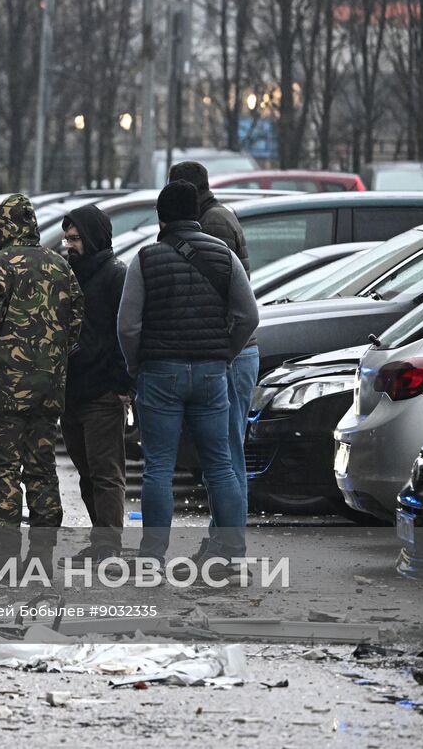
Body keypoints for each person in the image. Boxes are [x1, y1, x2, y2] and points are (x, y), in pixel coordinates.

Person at [118, 180, 257, 563]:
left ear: (161, 218)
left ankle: (152, 557)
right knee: (220, 465)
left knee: (158, 467)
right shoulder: (224, 256)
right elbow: (249, 316)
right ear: (196, 214)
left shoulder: (146, 259)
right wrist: (224, 354)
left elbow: (128, 326)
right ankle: (232, 553)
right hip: (212, 375)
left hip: (160, 374)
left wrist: (136, 366)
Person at [0, 194, 83, 533]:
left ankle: (5, 557)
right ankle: (42, 553)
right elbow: (75, 327)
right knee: (41, 469)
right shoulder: (60, 266)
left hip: (1, 392)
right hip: (48, 389)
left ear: (3, 229)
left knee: (2, 471)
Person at [169, 160, 259, 523]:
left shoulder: (213, 223)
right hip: (229, 349)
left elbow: (215, 292)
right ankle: (221, 538)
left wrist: (220, 349)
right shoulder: (216, 216)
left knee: (225, 454)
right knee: (221, 453)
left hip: (230, 352)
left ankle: (228, 542)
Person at [59, 204, 130, 547]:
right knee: (87, 473)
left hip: (102, 393)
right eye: (66, 238)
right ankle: (101, 540)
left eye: (75, 238)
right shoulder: (68, 274)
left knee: (105, 474)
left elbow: (126, 334)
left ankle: (109, 545)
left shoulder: (116, 275)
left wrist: (119, 385)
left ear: (93, 238)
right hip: (71, 391)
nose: (68, 245)